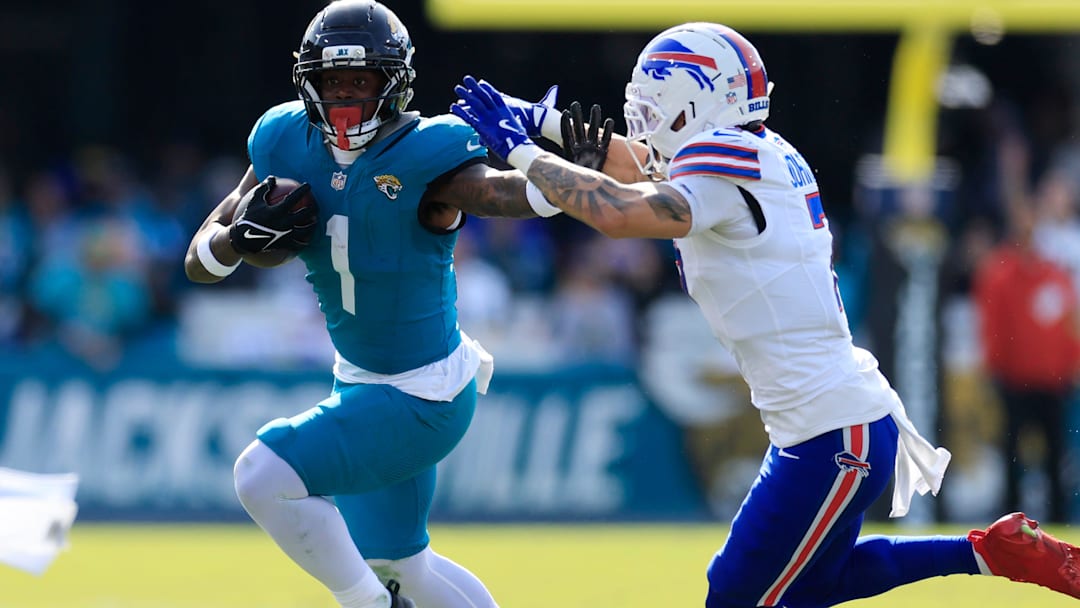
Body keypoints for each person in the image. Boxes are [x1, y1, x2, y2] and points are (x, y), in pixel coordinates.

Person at [450, 21, 1080, 607]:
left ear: (697, 101)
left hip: (832, 429)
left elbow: (617, 209)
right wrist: (540, 120)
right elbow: (638, 167)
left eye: (654, 102)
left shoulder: (725, 162)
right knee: (811, 583)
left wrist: (522, 150)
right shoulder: (753, 152)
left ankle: (987, 553)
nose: (642, 119)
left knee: (735, 595)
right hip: (826, 424)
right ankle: (991, 552)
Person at [183, 1, 570, 607]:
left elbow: (501, 195)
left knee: (261, 475)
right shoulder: (283, 139)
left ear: (392, 82)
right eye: (331, 80)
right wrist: (238, 239)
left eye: (360, 80)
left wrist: (562, 178)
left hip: (422, 394)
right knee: (401, 565)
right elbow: (199, 260)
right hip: (361, 382)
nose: (344, 95)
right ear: (307, 82)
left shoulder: (427, 150)